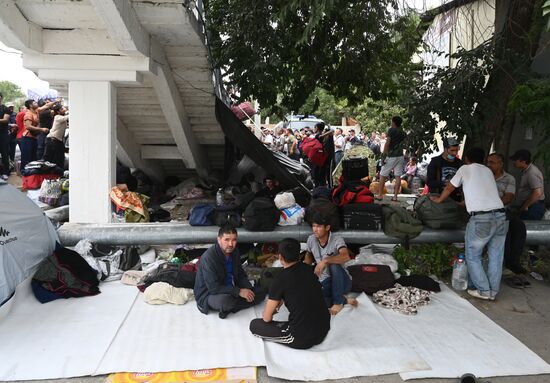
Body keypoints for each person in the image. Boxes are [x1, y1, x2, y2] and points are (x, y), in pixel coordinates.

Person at [431, 147, 508, 300]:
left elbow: (449, 187)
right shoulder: (488, 171)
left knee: (473, 256)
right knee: (496, 256)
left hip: (481, 218)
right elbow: (482, 192)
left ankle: (484, 291)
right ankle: (492, 291)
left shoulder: (464, 169)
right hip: (501, 215)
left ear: (467, 159)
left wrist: (439, 200)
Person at [249, 238, 330, 349]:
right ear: (299, 255)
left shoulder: (280, 279)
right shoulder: (309, 269)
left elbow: (267, 318)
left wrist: (273, 309)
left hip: (301, 338)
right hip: (324, 328)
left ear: (280, 257)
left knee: (255, 325)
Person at [194, 224, 266, 319]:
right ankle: (229, 306)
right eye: (227, 240)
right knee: (226, 301)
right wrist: (239, 291)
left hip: (228, 288)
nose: (231, 244)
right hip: (209, 294)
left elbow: (240, 274)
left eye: (234, 240)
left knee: (261, 292)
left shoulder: (234, 252)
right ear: (219, 240)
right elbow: (213, 288)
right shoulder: (209, 257)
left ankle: (229, 308)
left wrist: (248, 288)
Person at [486, 153, 530, 288]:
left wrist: (495, 204)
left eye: (492, 162)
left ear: (500, 164)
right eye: (487, 162)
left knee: (519, 227)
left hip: (501, 209)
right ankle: (506, 264)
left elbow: (509, 197)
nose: (489, 165)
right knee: (505, 229)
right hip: (486, 210)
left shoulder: (509, 178)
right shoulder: (484, 177)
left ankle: (513, 262)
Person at [304, 213, 357, 315]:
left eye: (319, 226)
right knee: (311, 298)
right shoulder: (311, 239)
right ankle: (344, 300)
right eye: (314, 226)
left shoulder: (337, 239)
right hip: (325, 281)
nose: (315, 229)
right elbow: (309, 254)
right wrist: (305, 269)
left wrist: (325, 261)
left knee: (334, 265)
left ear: (327, 227)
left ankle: (338, 302)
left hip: (342, 281)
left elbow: (346, 256)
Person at [376, 116, 406, 202]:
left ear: (393, 122)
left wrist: (383, 156)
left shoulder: (391, 130)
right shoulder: (403, 132)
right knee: (398, 176)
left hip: (391, 156)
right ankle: (395, 196)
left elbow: (387, 143)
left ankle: (380, 195)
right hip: (400, 156)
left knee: (382, 175)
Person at [510, 149, 545, 220]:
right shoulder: (526, 171)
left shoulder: (532, 173)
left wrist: (526, 205)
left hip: (533, 207)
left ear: (523, 161)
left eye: (516, 160)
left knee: (529, 229)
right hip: (530, 205)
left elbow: (538, 193)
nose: (514, 162)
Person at [20, 99, 55, 170]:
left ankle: (31, 176)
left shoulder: (36, 111)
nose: (37, 103)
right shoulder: (28, 114)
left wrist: (56, 101)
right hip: (27, 138)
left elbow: (47, 105)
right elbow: (28, 126)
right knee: (26, 158)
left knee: (33, 158)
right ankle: (25, 174)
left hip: (34, 137)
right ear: (30, 105)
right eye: (35, 102)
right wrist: (41, 129)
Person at [43, 103, 69, 168]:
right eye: (62, 109)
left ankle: (57, 175)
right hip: (52, 141)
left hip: (57, 141)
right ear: (58, 111)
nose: (64, 109)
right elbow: (66, 117)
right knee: (50, 160)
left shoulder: (62, 117)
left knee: (59, 159)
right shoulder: (57, 117)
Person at [0, 93, 11, 180]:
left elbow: (5, 120)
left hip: (3, 134)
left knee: (4, 153)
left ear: (1, 97)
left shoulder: (5, 108)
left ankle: (6, 172)